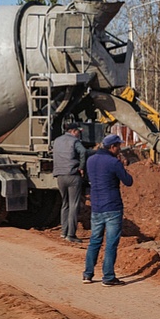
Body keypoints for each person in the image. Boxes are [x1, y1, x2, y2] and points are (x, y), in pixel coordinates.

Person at [82, 134, 133, 287]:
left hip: (96, 207)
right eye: (118, 146)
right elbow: (128, 181)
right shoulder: (114, 162)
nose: (120, 149)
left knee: (94, 241)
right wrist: (122, 165)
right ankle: (108, 276)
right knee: (111, 243)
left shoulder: (91, 160)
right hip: (112, 207)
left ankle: (87, 274)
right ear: (112, 147)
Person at [52, 122, 90, 243]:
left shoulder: (57, 140)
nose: (79, 134)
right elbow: (83, 152)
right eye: (78, 131)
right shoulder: (75, 141)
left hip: (60, 176)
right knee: (74, 205)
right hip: (73, 175)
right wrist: (81, 167)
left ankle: (63, 232)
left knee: (65, 204)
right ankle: (71, 234)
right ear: (73, 131)